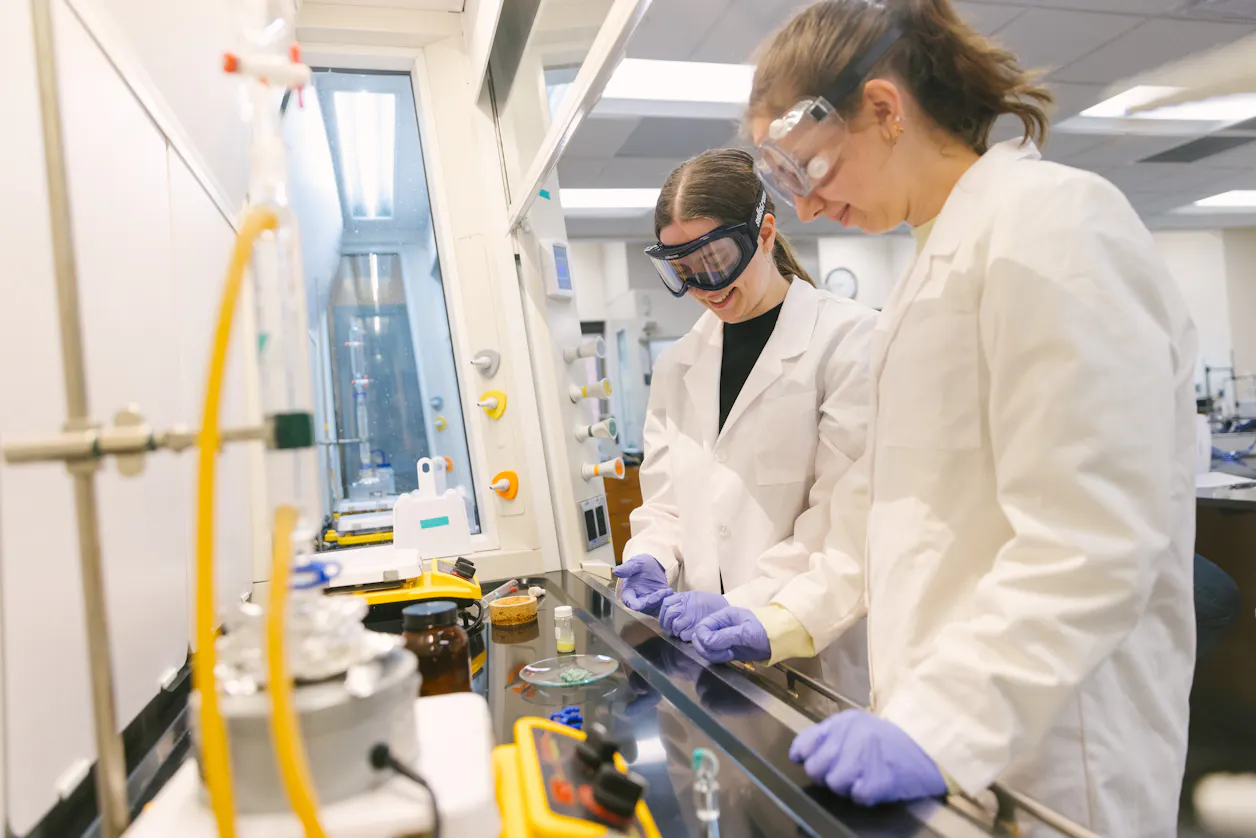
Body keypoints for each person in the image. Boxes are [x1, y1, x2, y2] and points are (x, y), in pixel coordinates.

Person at [689, 2, 1198, 835]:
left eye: (804, 167)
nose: (806, 208)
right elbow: (889, 515)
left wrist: (937, 725)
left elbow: (1091, 542)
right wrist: (776, 617)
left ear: (885, 110)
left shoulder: (1054, 225)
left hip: (1052, 759)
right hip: (958, 741)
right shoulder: (936, 263)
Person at [613, 148, 875, 703]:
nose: (706, 286)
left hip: (809, 645)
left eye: (716, 259)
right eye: (682, 270)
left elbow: (838, 522)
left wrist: (751, 604)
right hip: (700, 652)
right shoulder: (679, 362)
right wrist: (651, 556)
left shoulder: (848, 342)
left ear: (764, 233)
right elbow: (666, 502)